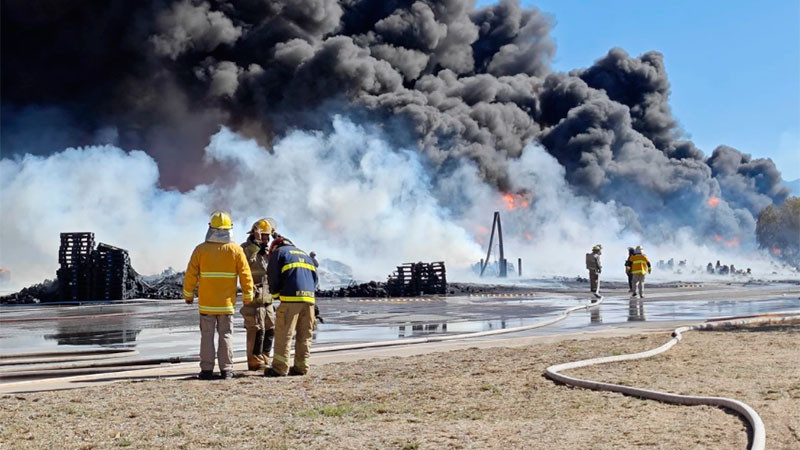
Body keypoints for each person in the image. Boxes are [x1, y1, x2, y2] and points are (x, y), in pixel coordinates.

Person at [183, 211, 254, 380]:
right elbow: (245, 275)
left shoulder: (200, 250)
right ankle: (227, 370)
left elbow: (191, 274)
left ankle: (206, 370)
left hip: (207, 304)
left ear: (211, 228)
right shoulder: (236, 250)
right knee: (226, 335)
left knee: (206, 336)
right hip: (227, 304)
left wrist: (188, 295)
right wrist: (248, 296)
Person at [264, 235, 319, 377]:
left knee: (284, 333)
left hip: (290, 299)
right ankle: (301, 367)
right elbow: (315, 279)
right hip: (309, 300)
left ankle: (279, 368)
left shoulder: (279, 253)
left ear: (274, 247)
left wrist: (275, 294)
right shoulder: (305, 255)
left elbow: (273, 275)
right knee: (305, 334)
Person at [240, 218, 277, 371]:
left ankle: (266, 357)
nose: (267, 239)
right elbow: (247, 262)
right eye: (264, 236)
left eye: (269, 236)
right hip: (254, 297)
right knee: (256, 329)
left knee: (270, 328)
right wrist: (256, 245)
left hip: (267, 296)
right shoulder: (245, 248)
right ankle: (254, 361)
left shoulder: (267, 251)